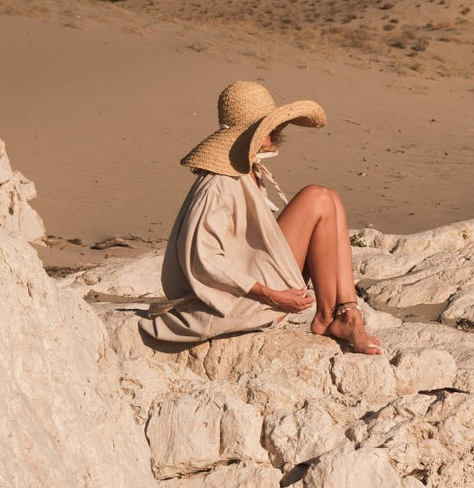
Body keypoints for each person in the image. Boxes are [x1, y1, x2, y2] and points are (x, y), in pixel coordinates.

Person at [139, 80, 382, 355]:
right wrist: (272, 295)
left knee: (331, 200)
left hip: (251, 281)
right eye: (265, 126)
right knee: (319, 199)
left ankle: (347, 314)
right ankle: (328, 317)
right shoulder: (218, 185)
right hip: (227, 301)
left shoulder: (246, 170)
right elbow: (203, 259)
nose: (275, 130)